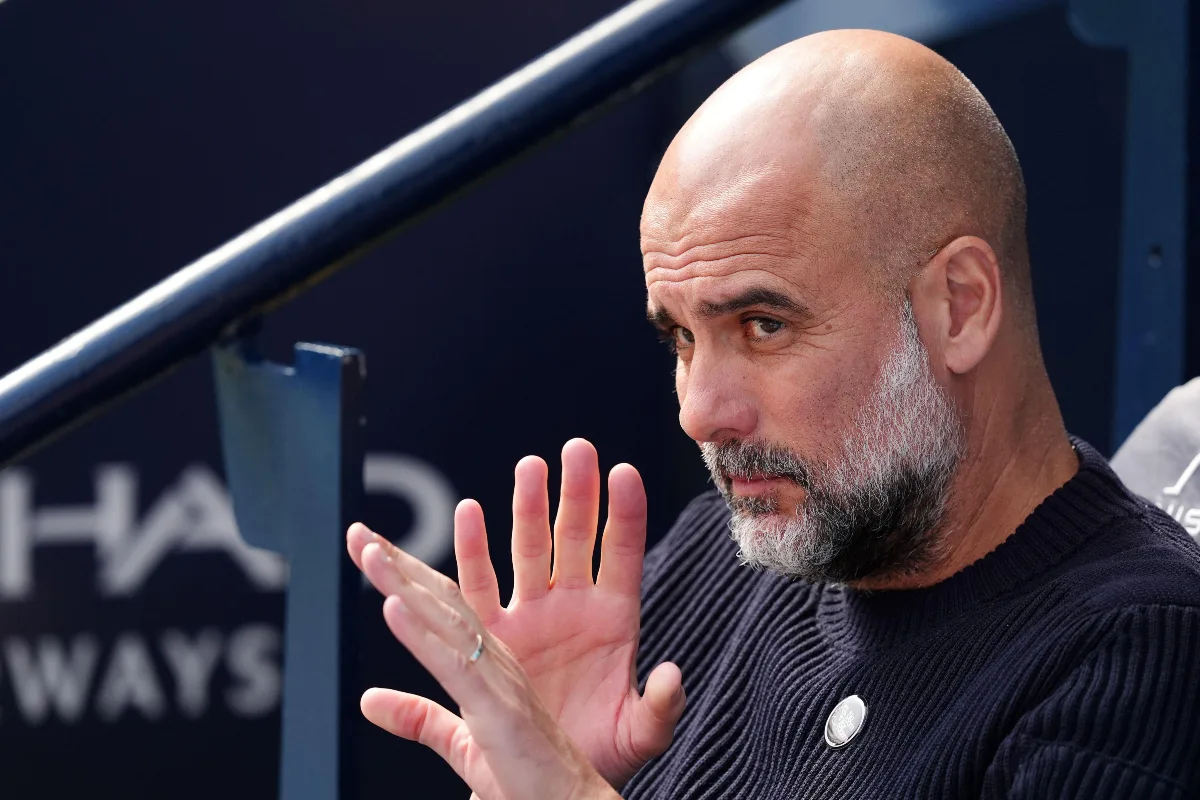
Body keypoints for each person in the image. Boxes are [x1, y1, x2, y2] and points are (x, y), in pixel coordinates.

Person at [346, 29, 1200, 799]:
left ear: (961, 306)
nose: (700, 412)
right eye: (682, 338)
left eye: (763, 326)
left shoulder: (1144, 649)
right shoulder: (713, 562)